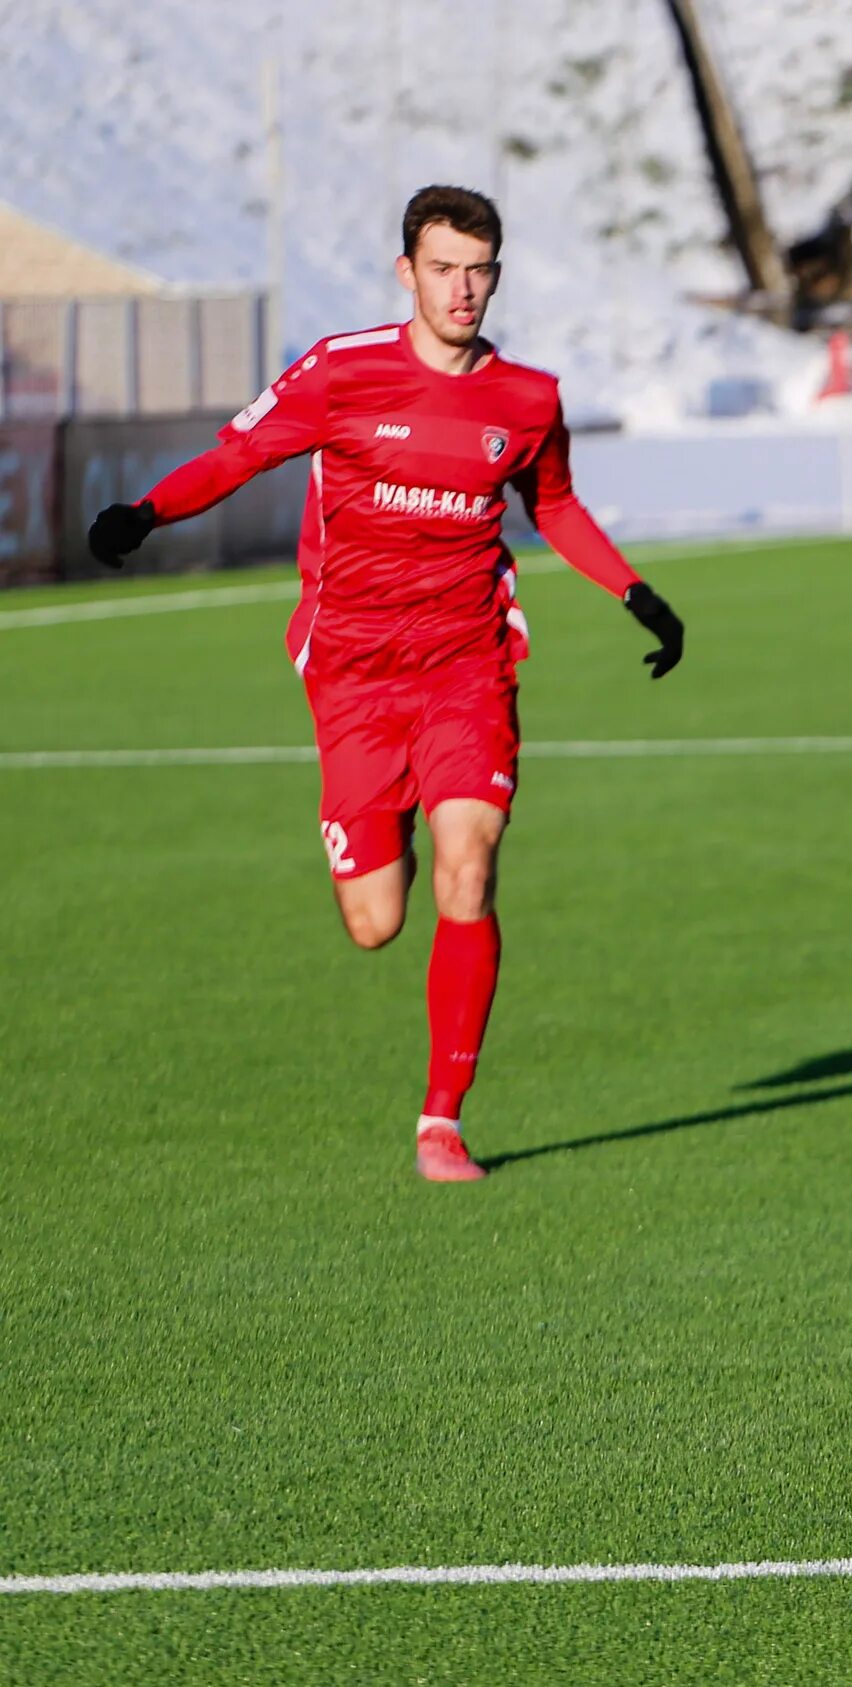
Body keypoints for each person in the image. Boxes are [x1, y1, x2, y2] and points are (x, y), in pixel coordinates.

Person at [85, 185, 685, 1183]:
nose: (463, 289)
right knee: (377, 923)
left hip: (466, 661)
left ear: (497, 274)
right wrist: (145, 514)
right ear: (406, 271)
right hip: (356, 669)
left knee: (471, 869)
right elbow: (240, 455)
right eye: (444, 268)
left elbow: (558, 505)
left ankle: (441, 1120)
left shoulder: (528, 399)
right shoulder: (340, 372)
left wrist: (636, 593)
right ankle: (382, 816)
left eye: (479, 269)